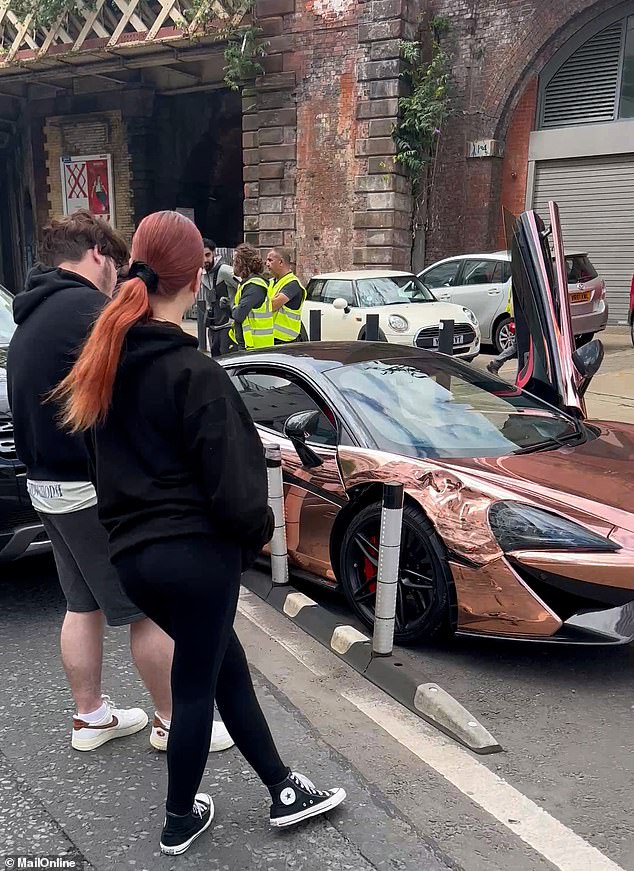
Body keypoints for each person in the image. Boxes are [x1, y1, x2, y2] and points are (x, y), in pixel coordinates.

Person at [52, 210, 346, 856]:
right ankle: (178, 817)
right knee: (193, 689)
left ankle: (281, 786)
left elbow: (98, 467)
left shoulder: (105, 363)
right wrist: (249, 543)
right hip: (196, 557)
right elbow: (238, 493)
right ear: (195, 278)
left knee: (222, 666)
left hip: (134, 559)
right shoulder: (198, 375)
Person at [6, 209, 233, 755]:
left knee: (81, 604)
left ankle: (90, 717)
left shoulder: (29, 316)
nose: (119, 279)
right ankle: (173, 721)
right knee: (148, 609)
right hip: (89, 488)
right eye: (115, 265)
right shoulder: (89, 313)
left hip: (42, 484)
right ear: (97, 256)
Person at [224, 244, 274, 351]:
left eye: (235, 262)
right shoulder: (247, 284)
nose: (233, 265)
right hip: (249, 343)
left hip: (256, 346)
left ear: (242, 264)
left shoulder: (254, 286)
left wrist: (229, 307)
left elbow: (239, 315)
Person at [266, 248, 306, 344]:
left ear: (280, 262)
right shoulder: (271, 282)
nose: (267, 264)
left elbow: (272, 305)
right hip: (270, 337)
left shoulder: (292, 284)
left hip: (285, 341)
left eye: (270, 260)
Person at [200, 238, 230, 357]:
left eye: (207, 255)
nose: (205, 260)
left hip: (227, 326)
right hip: (213, 326)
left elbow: (242, 286)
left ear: (214, 253)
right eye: (201, 256)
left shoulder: (225, 270)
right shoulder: (203, 274)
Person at [487, 282, 517, 376]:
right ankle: (496, 363)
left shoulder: (516, 278)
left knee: (518, 346)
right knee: (518, 345)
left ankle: (496, 364)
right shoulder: (519, 278)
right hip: (520, 317)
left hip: (517, 316)